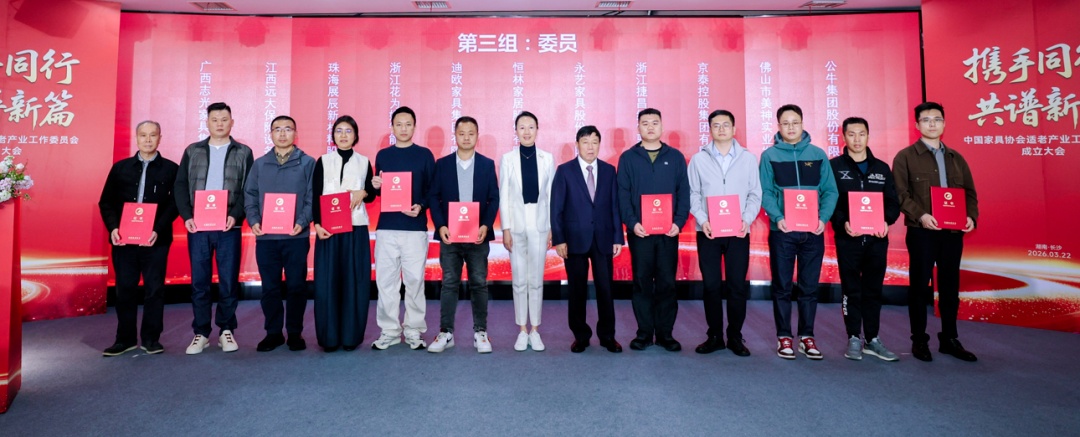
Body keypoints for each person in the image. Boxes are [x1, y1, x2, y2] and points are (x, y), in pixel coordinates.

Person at [892, 102, 979, 362]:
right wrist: (921, 215)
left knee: (950, 286)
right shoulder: (905, 157)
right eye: (926, 119)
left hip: (952, 233)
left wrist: (970, 217)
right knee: (919, 286)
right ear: (917, 125)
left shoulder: (956, 158)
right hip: (922, 232)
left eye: (937, 119)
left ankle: (949, 338)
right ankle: (919, 339)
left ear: (944, 123)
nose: (932, 124)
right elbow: (900, 194)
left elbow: (970, 193)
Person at [759, 104, 838, 360]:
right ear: (778, 126)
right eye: (785, 123)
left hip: (813, 232)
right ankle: (784, 336)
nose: (791, 127)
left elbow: (830, 191)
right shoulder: (769, 156)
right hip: (783, 231)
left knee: (809, 287)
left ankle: (806, 336)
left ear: (802, 124)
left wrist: (823, 218)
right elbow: (765, 192)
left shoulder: (818, 154)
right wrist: (778, 217)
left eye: (795, 122)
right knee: (782, 287)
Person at [174, 102, 254, 355]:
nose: (219, 123)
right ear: (207, 123)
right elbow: (180, 185)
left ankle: (226, 330)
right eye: (215, 119)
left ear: (232, 122)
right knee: (200, 282)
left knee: (228, 280)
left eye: (224, 119)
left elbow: (248, 189)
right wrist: (187, 216)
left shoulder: (243, 152)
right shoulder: (193, 150)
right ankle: (201, 332)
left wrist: (235, 215)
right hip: (198, 227)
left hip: (229, 226)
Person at [97, 120, 179, 356]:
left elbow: (175, 204)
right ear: (137, 138)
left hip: (156, 240)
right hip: (124, 240)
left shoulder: (171, 169)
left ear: (160, 138)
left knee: (155, 290)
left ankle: (151, 339)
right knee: (125, 289)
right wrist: (113, 228)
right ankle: (125, 339)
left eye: (153, 135)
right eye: (143, 135)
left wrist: (158, 229)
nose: (148, 140)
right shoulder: (120, 168)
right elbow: (106, 202)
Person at [687, 110, 761, 357]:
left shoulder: (748, 159)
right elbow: (693, 194)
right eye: (716, 125)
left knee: (737, 286)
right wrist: (703, 219)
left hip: (738, 232)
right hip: (708, 231)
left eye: (726, 125)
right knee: (711, 286)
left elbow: (755, 194)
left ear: (734, 128)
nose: (721, 129)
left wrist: (746, 219)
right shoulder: (698, 159)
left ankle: (735, 337)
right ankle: (715, 336)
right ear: (710, 129)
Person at [616, 108, 690, 352]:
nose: (650, 127)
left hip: (669, 232)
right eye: (645, 123)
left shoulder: (675, 157)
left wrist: (678, 222)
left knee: (667, 283)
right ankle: (644, 333)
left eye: (654, 122)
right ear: (638, 127)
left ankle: (666, 334)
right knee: (642, 283)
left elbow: (684, 192)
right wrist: (632, 222)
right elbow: (623, 194)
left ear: (662, 126)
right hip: (640, 233)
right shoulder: (628, 158)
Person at [829, 117, 901, 361]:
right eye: (851, 134)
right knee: (851, 290)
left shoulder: (882, 168)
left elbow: (893, 203)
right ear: (844, 137)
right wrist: (843, 223)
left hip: (877, 240)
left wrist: (886, 221)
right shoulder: (834, 167)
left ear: (868, 136)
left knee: (873, 290)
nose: (857, 139)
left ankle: (872, 339)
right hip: (848, 239)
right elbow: (830, 201)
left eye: (861, 134)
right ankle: (853, 337)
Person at [426, 116, 499, 354]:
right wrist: (440, 225)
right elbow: (434, 197)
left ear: (477, 136)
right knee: (449, 283)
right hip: (450, 236)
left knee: (479, 283)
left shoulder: (487, 164)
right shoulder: (443, 164)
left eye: (471, 133)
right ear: (455, 135)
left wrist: (486, 225)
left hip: (477, 237)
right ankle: (446, 332)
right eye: (462, 133)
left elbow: (494, 198)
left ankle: (481, 332)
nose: (466, 137)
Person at [244, 115, 316, 352]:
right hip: (267, 238)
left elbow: (312, 197)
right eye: (277, 129)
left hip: (296, 237)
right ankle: (273, 333)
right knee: (270, 287)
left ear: (296, 134)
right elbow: (250, 195)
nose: (283, 134)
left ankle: (295, 332)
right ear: (271, 134)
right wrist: (254, 220)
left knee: (296, 286)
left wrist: (302, 222)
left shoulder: (308, 163)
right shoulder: (260, 164)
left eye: (288, 129)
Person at [551, 125, 624, 353]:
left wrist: (617, 237)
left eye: (594, 142)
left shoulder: (609, 170)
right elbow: (556, 208)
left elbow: (614, 206)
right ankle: (580, 336)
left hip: (603, 237)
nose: (590, 147)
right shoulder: (565, 171)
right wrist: (559, 239)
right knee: (577, 289)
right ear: (577, 145)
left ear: (599, 144)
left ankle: (608, 336)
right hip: (574, 239)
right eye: (585, 142)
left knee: (605, 289)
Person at [370, 106, 436, 350]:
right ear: (392, 127)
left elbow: (432, 190)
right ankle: (388, 330)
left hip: (415, 228)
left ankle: (414, 330)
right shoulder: (383, 156)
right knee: (386, 282)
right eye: (399, 124)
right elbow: (381, 191)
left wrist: (421, 206)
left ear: (414, 127)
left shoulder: (425, 155)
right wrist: (376, 185)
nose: (403, 128)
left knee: (415, 281)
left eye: (408, 124)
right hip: (387, 227)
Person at [312, 115, 377, 352]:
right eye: (339, 131)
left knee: (354, 283)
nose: (343, 135)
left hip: (356, 229)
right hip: (328, 231)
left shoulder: (364, 162)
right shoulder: (323, 161)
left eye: (348, 131)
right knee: (327, 284)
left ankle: (351, 337)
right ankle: (329, 338)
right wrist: (317, 224)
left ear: (355, 135)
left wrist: (364, 192)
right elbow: (315, 194)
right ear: (333, 135)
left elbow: (371, 194)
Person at [499, 111, 556, 352]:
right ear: (516, 131)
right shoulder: (507, 159)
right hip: (516, 223)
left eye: (531, 127)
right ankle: (522, 329)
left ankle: (535, 330)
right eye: (521, 127)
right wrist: (506, 228)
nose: (526, 131)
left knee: (536, 279)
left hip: (540, 223)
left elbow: (552, 196)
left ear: (537, 129)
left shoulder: (547, 158)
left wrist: (553, 227)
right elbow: (504, 195)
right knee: (519, 278)